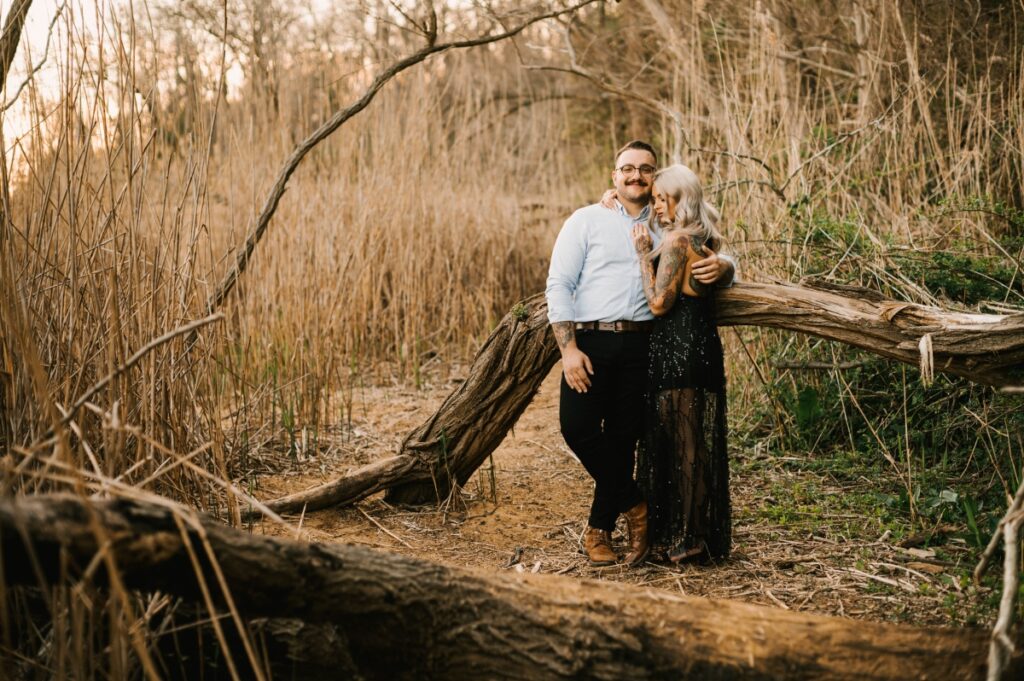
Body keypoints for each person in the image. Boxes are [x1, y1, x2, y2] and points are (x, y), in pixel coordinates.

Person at [545, 141, 734, 567]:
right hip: (591, 341)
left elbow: (706, 239)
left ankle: (599, 530)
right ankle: (636, 505)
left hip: (644, 345)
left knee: (622, 440)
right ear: (614, 177)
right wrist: (569, 349)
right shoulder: (587, 219)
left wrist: (726, 266)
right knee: (576, 428)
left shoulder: (666, 219)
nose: (635, 176)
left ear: (654, 179)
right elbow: (559, 284)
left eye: (645, 169)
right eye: (626, 169)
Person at [630, 164, 730, 564]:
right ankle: (689, 534)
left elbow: (658, 303)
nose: (655, 206)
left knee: (683, 446)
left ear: (680, 198)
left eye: (660, 198)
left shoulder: (676, 241)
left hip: (681, 350)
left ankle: (690, 538)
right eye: (653, 199)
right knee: (689, 445)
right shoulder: (701, 238)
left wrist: (641, 256)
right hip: (694, 347)